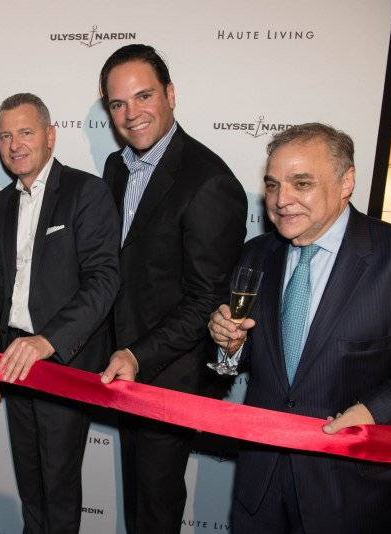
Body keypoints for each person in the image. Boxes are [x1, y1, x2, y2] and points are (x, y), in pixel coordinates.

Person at [208, 123, 391, 533]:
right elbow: (252, 358)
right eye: (272, 185)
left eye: (302, 183)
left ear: (346, 182)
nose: (281, 200)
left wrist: (372, 412)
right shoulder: (256, 254)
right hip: (260, 483)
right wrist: (230, 345)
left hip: (349, 487)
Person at [96, 44, 247, 533]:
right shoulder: (116, 167)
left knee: (157, 508)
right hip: (122, 366)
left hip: (169, 375)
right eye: (118, 104)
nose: (131, 114)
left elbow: (208, 299)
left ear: (170, 94)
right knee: (136, 499)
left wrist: (137, 355)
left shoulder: (209, 181)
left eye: (143, 96)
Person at [0, 93, 120, 534]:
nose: (14, 144)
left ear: (50, 136)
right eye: (5, 136)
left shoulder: (85, 192)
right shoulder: (3, 201)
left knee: (58, 484)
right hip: (14, 356)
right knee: (30, 480)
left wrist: (48, 340)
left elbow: (104, 279)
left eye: (25, 132)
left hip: (61, 360)